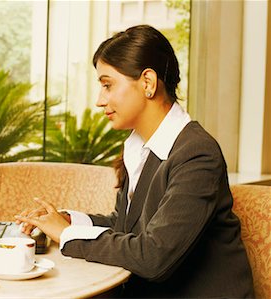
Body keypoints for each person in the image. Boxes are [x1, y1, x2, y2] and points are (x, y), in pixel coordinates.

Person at [15, 24, 254, 298]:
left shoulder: (197, 153)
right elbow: (126, 226)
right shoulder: (141, 146)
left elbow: (153, 256)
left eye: (108, 85)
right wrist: (70, 220)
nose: (99, 100)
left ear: (148, 83)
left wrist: (67, 233)